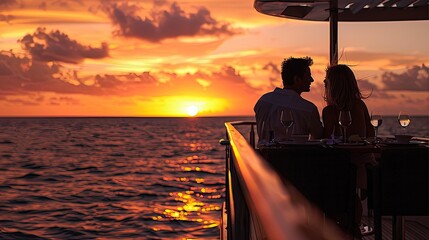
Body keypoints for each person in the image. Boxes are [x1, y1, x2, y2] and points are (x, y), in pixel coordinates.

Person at [322, 64, 376, 238]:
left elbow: (326, 139)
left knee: (333, 184)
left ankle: (345, 227)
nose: (324, 85)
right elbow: (370, 134)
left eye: (326, 82)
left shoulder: (329, 111)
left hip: (345, 165)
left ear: (333, 86)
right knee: (349, 192)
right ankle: (353, 226)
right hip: (364, 163)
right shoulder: (360, 105)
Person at [254, 56, 323, 144]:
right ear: (297, 79)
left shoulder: (263, 101)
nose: (312, 80)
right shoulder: (308, 108)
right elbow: (319, 136)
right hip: (294, 156)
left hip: (262, 156)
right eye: (308, 76)